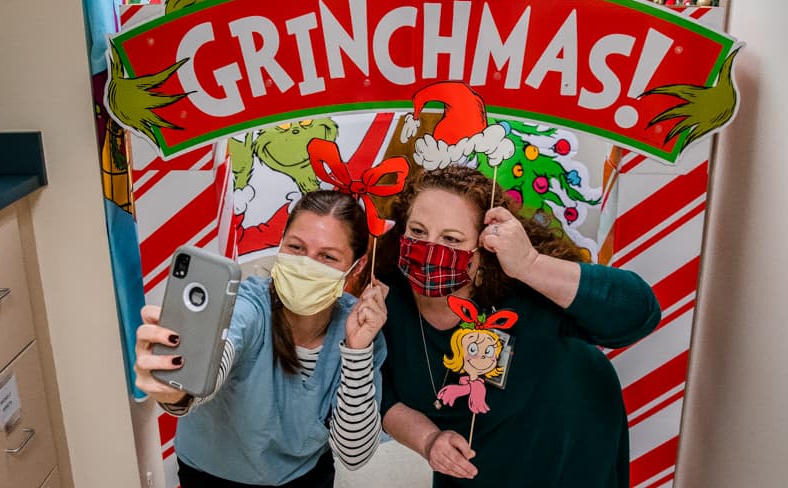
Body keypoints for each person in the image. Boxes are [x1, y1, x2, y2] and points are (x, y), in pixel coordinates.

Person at [376, 165, 661, 487]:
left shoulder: (521, 291)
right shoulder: (387, 300)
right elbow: (380, 394)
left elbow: (640, 314)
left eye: (452, 238)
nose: (429, 248)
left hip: (567, 446)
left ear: (483, 249)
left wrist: (530, 265)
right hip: (471, 462)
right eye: (417, 231)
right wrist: (429, 440)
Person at [134, 190, 388, 487]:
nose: (307, 264)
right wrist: (176, 389)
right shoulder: (248, 306)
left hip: (304, 477)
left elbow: (354, 453)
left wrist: (357, 353)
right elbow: (220, 353)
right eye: (296, 247)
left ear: (356, 268)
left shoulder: (358, 330)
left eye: (327, 257)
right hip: (212, 475)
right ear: (280, 246)